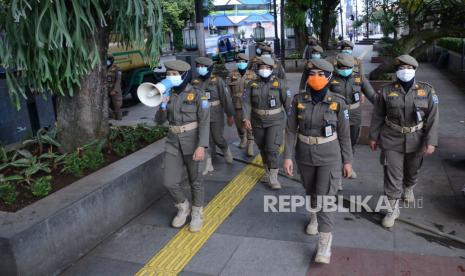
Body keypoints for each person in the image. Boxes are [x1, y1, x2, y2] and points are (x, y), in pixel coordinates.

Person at [283, 59, 353, 264]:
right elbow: (289, 130)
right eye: (312, 73)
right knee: (311, 191)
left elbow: (345, 135)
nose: (316, 77)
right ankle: (314, 215)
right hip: (304, 154)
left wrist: (347, 161)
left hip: (329, 156)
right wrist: (287, 156)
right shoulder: (298, 100)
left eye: (321, 74)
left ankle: (324, 242)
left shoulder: (338, 102)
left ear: (329, 77)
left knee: (325, 198)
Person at [368, 54, 439, 228]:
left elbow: (432, 118)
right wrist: (373, 136)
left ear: (414, 70)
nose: (404, 71)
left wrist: (431, 141)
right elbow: (378, 115)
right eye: (401, 69)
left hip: (417, 138)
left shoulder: (427, 90)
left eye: (408, 68)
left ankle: (409, 187)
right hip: (391, 137)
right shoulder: (386, 90)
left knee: (412, 170)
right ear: (396, 71)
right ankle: (392, 208)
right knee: (392, 174)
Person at [155, 60, 210, 232]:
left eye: (174, 74)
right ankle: (183, 206)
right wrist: (162, 106)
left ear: (184, 75)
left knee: (196, 181)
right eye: (168, 74)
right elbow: (159, 121)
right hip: (173, 142)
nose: (170, 77)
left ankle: (197, 212)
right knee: (169, 181)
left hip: (193, 142)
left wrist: (202, 146)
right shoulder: (167, 94)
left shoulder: (199, 94)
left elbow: (204, 122)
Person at [242, 56, 292, 189]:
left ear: (271, 69)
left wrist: (292, 123)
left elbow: (288, 104)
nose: (263, 70)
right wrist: (246, 118)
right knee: (263, 148)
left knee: (272, 148)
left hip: (275, 121)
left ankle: (274, 177)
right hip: (257, 120)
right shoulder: (251, 84)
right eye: (261, 67)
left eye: (266, 68)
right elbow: (246, 103)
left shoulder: (280, 83)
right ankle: (268, 172)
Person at [329, 53, 376, 183]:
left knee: (351, 143)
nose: (344, 70)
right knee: (336, 144)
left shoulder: (358, 78)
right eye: (341, 67)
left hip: (354, 115)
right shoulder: (331, 78)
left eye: (347, 67)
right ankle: (336, 174)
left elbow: (373, 96)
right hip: (336, 115)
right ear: (337, 66)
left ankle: (348, 165)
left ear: (352, 67)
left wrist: (386, 107)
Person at [191, 57, 235, 175]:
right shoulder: (194, 82)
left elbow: (226, 99)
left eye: (203, 66)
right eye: (198, 66)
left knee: (217, 137)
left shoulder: (218, 81)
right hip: (200, 115)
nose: (200, 68)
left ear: (209, 68)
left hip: (215, 113)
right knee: (205, 140)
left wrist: (230, 114)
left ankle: (225, 149)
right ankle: (208, 163)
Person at [226, 53, 257, 156]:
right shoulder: (232, 75)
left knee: (249, 124)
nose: (241, 63)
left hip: (250, 105)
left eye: (243, 62)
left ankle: (250, 143)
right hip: (237, 104)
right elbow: (228, 92)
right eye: (239, 62)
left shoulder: (252, 75)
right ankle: (242, 138)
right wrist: (228, 108)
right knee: (239, 125)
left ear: (246, 63)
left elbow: (256, 90)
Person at [106, 55, 123, 120]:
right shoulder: (104, 68)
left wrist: (115, 90)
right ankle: (112, 115)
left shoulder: (117, 69)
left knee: (117, 105)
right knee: (105, 105)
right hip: (106, 90)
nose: (106, 62)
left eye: (108, 60)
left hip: (115, 90)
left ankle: (119, 118)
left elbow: (118, 81)